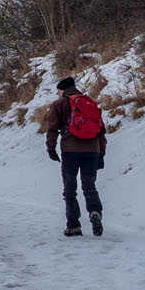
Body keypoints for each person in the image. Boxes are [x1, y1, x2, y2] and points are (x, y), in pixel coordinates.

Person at [45, 76, 106, 236]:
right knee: (89, 186)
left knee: (70, 189)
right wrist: (101, 155)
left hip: (70, 151)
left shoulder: (59, 104)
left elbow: (52, 129)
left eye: (57, 90)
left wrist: (51, 149)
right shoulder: (89, 103)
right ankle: (95, 212)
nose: (56, 94)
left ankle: (73, 225)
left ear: (62, 89)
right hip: (92, 151)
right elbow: (101, 131)